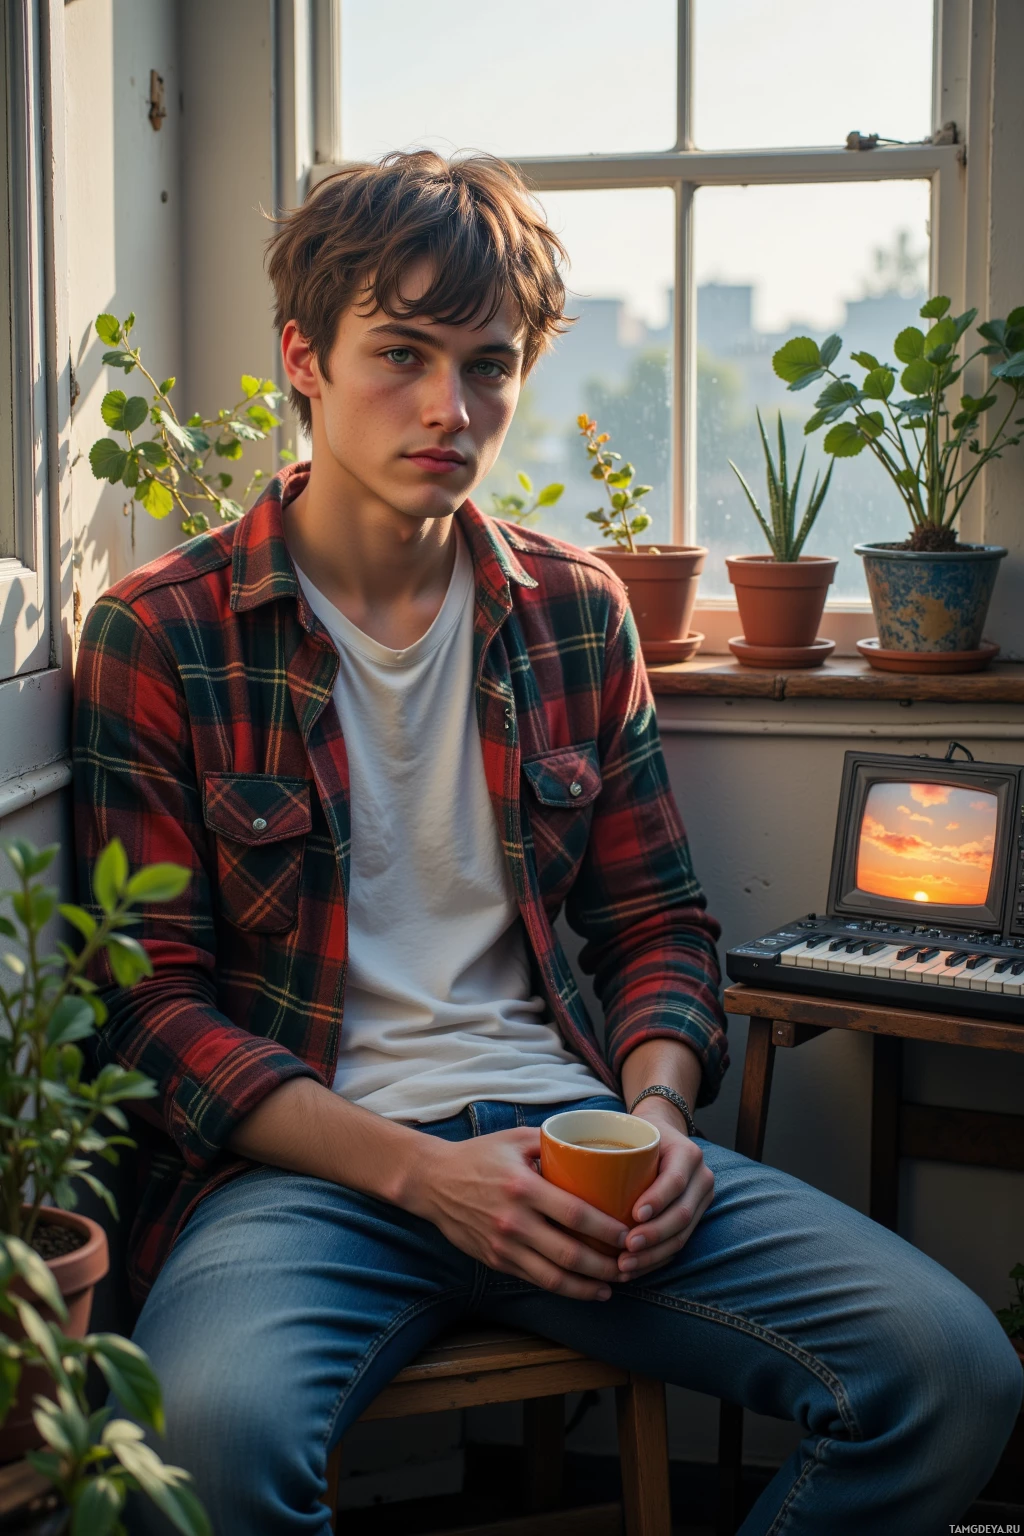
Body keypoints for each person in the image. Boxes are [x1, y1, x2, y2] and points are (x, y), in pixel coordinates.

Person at [73, 151, 1020, 1536]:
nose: (450, 409)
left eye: (489, 366)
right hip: (309, 1177)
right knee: (196, 1460)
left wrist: (655, 1117)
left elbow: (657, 927)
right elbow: (151, 1012)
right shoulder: (162, 634)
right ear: (304, 359)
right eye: (400, 353)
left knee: (950, 1376)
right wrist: (418, 1174)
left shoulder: (576, 615)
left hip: (575, 1146)